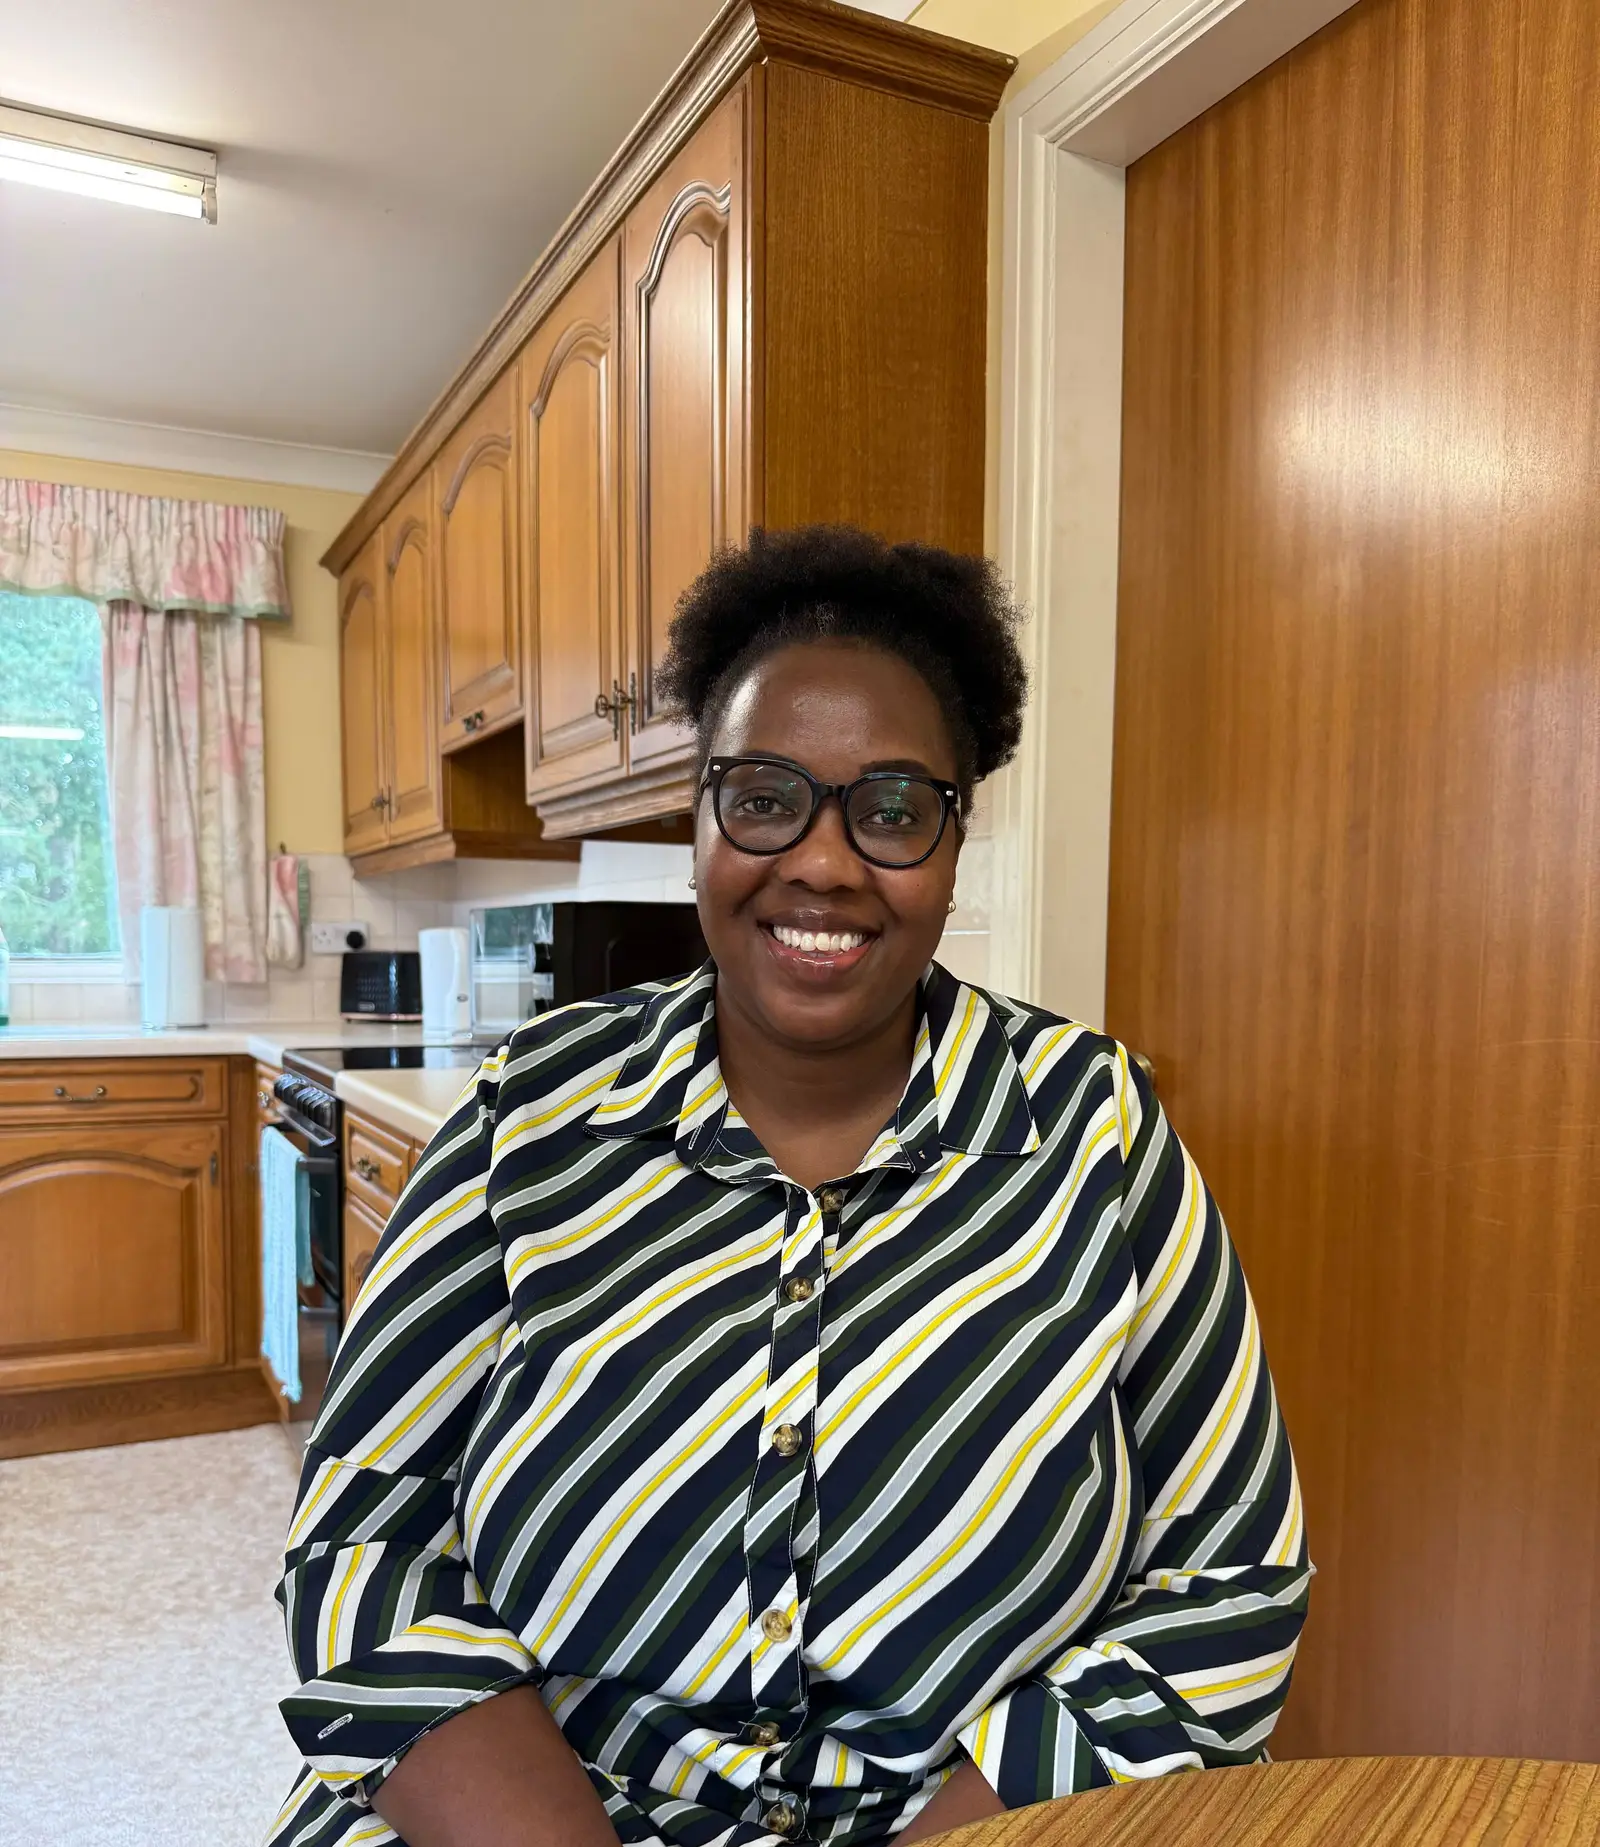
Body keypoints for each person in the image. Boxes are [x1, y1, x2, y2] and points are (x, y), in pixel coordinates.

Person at [266, 526, 1310, 1847]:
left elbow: (1231, 1580)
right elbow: (365, 1534)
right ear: (698, 811)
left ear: (953, 835)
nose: (822, 861)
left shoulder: (1099, 1131)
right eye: (765, 794)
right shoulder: (524, 1116)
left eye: (890, 808)